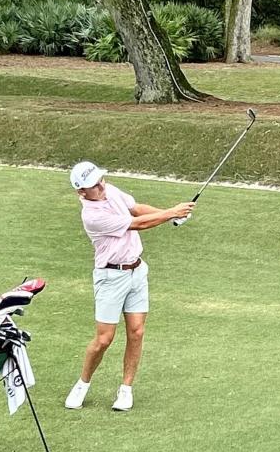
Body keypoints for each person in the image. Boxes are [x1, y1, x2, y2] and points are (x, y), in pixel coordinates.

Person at [64, 161, 195, 412]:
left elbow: (137, 210)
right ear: (82, 192)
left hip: (136, 271)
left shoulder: (109, 189)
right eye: (94, 185)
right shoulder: (92, 216)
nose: (101, 186)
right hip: (110, 277)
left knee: (136, 332)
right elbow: (139, 224)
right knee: (104, 339)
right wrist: (171, 213)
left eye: (101, 180)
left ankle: (126, 390)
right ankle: (83, 383)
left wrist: (170, 214)